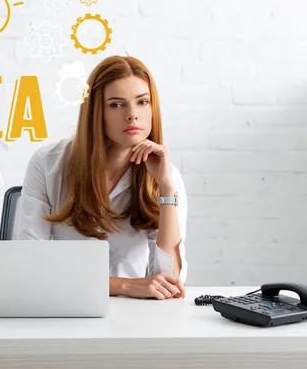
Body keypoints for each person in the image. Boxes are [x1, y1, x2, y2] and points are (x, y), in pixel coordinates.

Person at [15, 55, 188, 300]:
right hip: (63, 306)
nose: (132, 115)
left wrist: (166, 189)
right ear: (96, 111)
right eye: (117, 104)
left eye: (142, 102)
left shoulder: (165, 175)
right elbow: (31, 266)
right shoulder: (47, 163)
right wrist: (124, 285)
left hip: (135, 315)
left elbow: (170, 283)